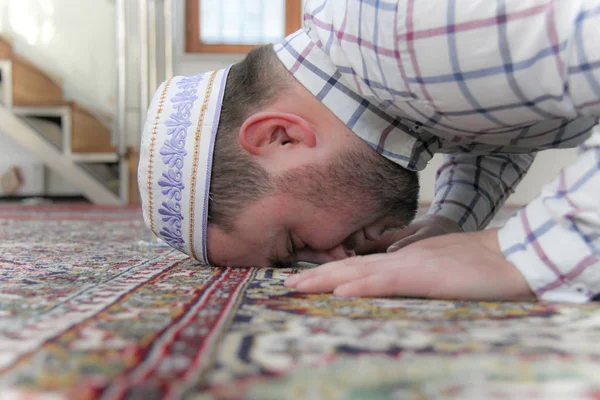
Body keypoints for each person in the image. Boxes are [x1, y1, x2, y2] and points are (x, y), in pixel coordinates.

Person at [138, 0, 600, 304]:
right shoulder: (391, 70)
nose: (339, 257)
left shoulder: (410, 26)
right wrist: (451, 222)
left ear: (280, 136)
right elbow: (504, 107)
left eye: (296, 243)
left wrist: (523, 252)